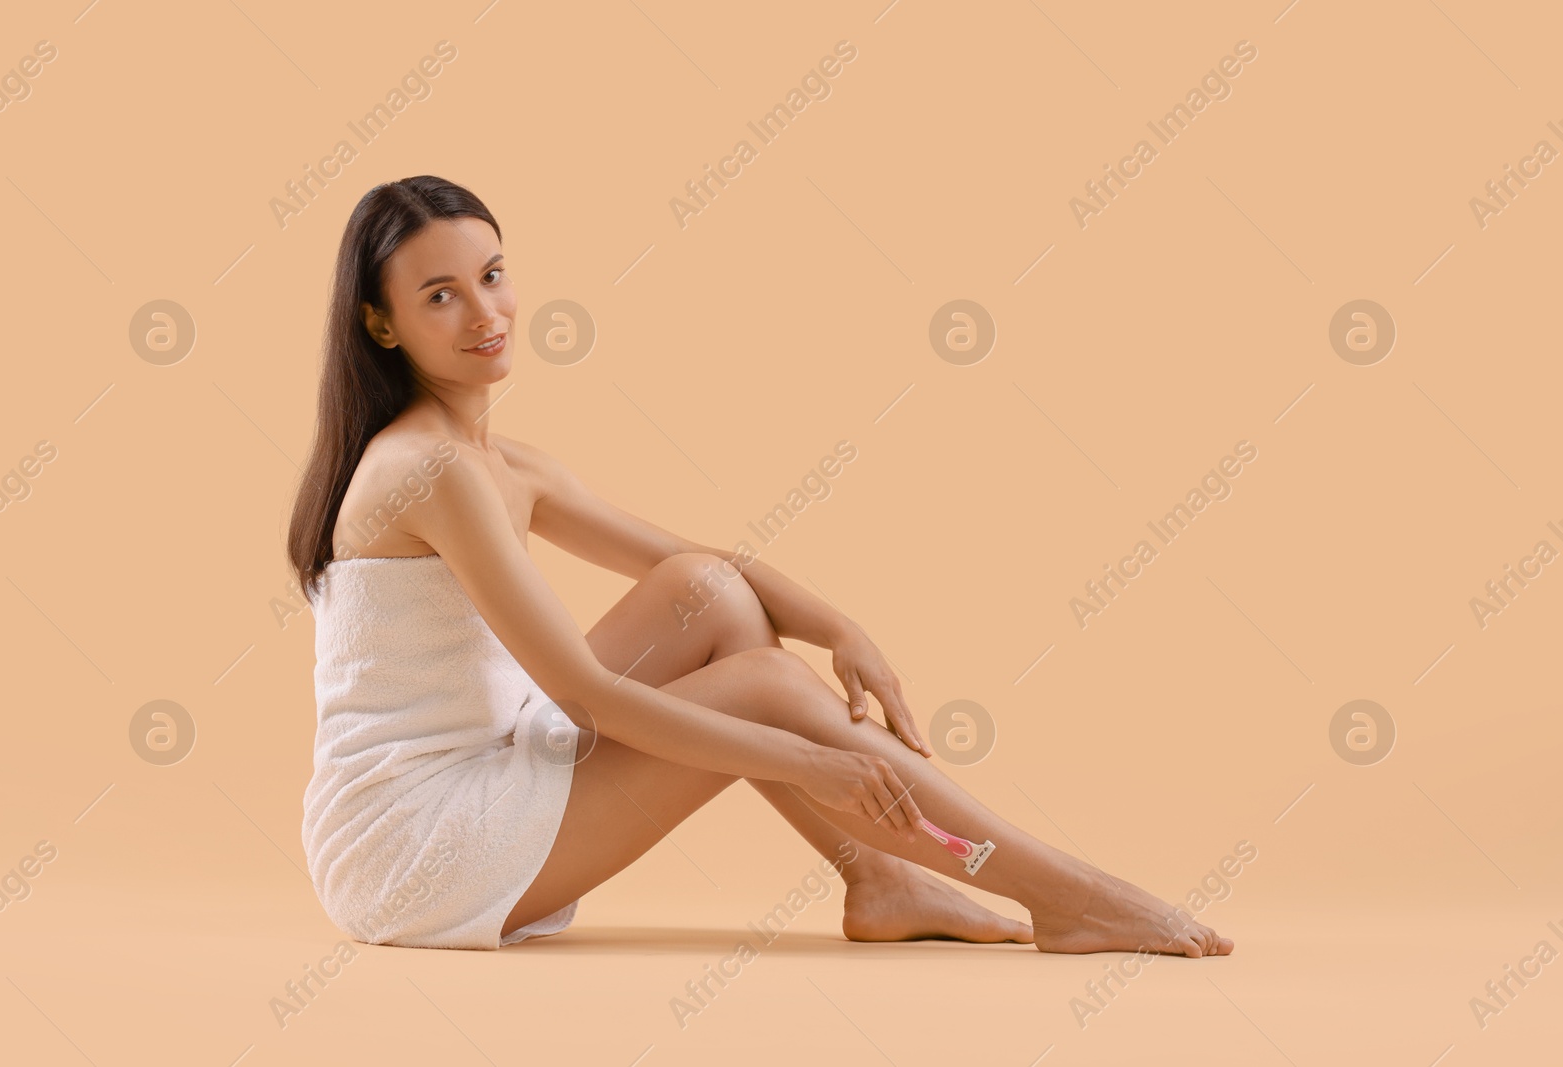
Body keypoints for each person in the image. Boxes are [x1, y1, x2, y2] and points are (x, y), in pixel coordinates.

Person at [288, 174, 1232, 957]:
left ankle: (885, 877)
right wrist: (811, 755)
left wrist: (841, 628)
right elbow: (585, 695)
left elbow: (695, 565)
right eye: (440, 295)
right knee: (769, 685)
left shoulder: (504, 463)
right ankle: (1070, 896)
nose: (486, 313)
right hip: (410, 844)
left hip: (488, 764)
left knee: (708, 595)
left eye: (493, 275)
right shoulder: (431, 470)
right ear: (382, 325)